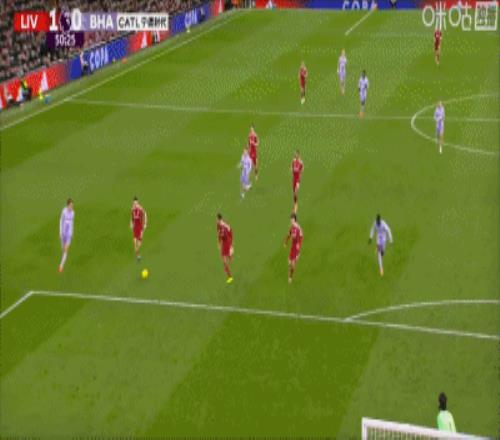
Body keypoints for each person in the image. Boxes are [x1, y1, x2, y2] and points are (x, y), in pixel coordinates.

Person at [284, 213, 303, 283]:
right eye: (291, 220)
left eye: (292, 220)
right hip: (293, 245)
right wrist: (286, 242)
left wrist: (298, 251)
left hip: (296, 247)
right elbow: (289, 234)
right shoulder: (293, 227)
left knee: (292, 264)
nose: (291, 221)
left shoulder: (297, 229)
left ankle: (290, 277)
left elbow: (296, 237)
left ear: (295, 220)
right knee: (289, 262)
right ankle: (294, 258)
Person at [216, 213, 234, 284]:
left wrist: (220, 242)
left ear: (218, 219)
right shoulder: (223, 224)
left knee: (224, 261)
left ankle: (230, 277)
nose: (216, 220)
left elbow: (223, 235)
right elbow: (230, 231)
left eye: (216, 219)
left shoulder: (222, 227)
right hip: (227, 242)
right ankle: (230, 255)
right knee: (228, 257)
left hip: (226, 243)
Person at [58, 198, 74, 273]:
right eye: (70, 205)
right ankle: (63, 258)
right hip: (63, 233)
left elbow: (72, 223)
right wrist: (60, 232)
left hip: (69, 234)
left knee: (65, 249)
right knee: (63, 249)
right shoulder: (64, 211)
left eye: (72, 206)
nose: (71, 207)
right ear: (67, 205)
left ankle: (61, 266)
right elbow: (61, 221)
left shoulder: (73, 213)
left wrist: (72, 233)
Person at [130, 197, 147, 261]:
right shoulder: (132, 209)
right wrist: (131, 223)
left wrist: (145, 223)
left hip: (140, 226)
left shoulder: (141, 209)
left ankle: (138, 254)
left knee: (139, 241)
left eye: (136, 203)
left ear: (138, 203)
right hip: (135, 227)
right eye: (134, 203)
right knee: (135, 242)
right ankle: (138, 255)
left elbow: (145, 215)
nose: (135, 204)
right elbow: (132, 218)